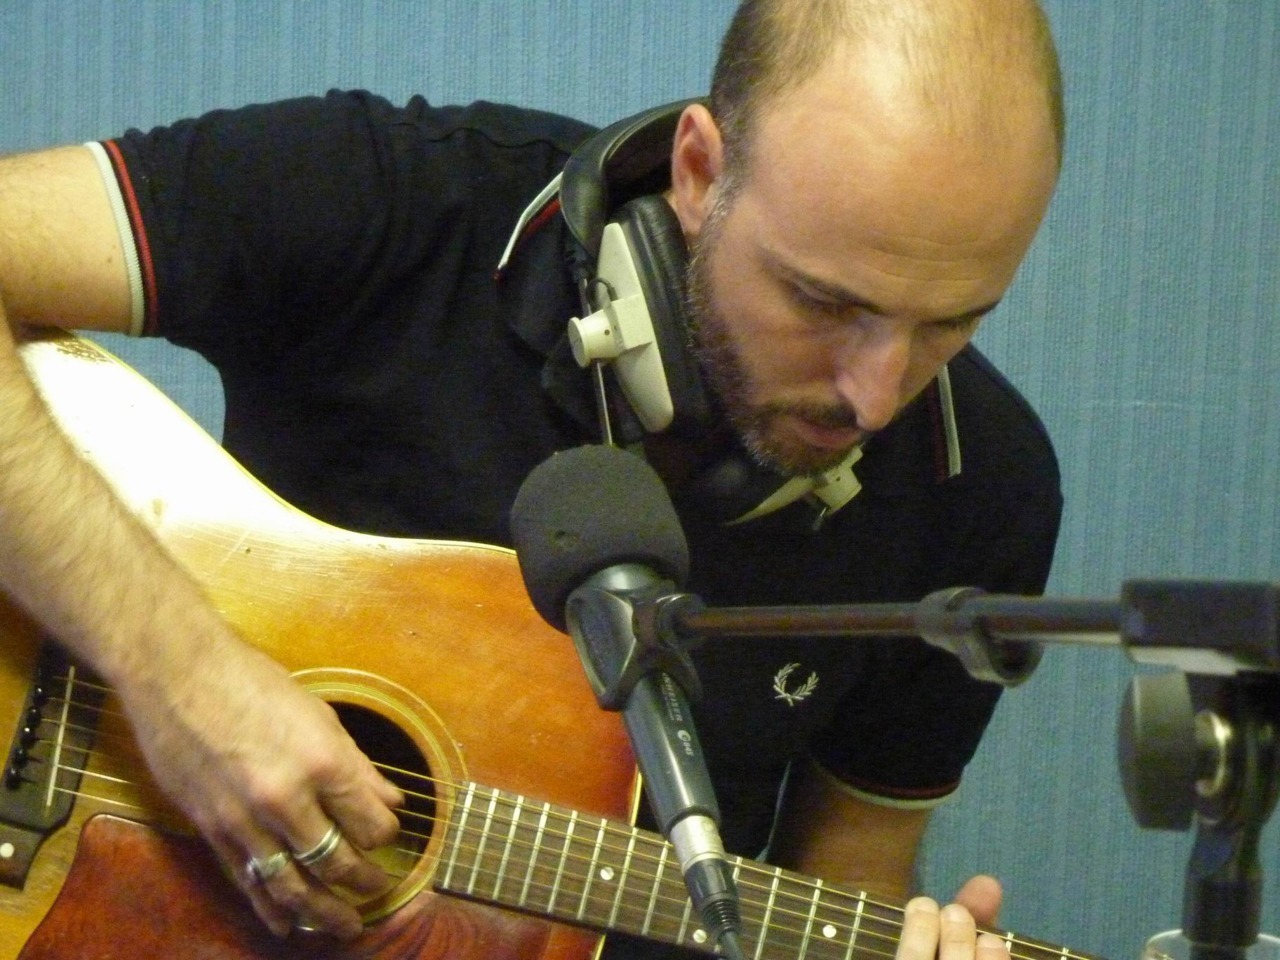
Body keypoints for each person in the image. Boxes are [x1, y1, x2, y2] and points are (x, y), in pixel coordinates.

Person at [0, 0, 1063, 956]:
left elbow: (847, 883)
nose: (876, 396)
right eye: (824, 302)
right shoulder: (399, 201)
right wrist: (177, 676)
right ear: (700, 173)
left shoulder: (985, 487)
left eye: (952, 322)